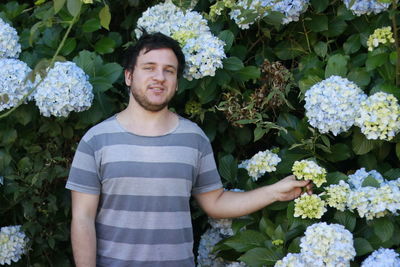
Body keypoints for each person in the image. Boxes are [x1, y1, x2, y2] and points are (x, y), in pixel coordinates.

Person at [66, 31, 312, 267]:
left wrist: (276, 192)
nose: (159, 77)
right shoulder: (96, 140)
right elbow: (82, 219)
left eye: (169, 71)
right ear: (129, 76)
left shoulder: (194, 138)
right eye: (149, 68)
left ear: (176, 82)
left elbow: (215, 202)